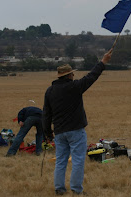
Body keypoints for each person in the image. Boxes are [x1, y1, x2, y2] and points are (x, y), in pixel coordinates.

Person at [42, 49, 112, 196]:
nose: (74, 75)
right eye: (72, 73)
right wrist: (103, 62)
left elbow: (46, 115)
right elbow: (91, 77)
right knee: (78, 160)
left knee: (60, 161)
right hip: (76, 131)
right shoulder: (74, 87)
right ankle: (76, 189)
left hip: (59, 132)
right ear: (69, 75)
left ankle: (59, 189)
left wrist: (48, 133)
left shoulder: (50, 91)